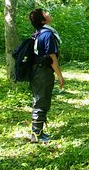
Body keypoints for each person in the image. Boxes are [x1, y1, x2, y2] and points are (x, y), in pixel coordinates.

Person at [28, 8, 65, 143]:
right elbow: (52, 58)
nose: (48, 13)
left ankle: (38, 131)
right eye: (45, 13)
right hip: (43, 71)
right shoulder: (48, 34)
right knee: (41, 100)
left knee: (39, 99)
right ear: (43, 20)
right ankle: (36, 134)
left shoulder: (37, 33)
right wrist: (60, 76)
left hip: (35, 70)